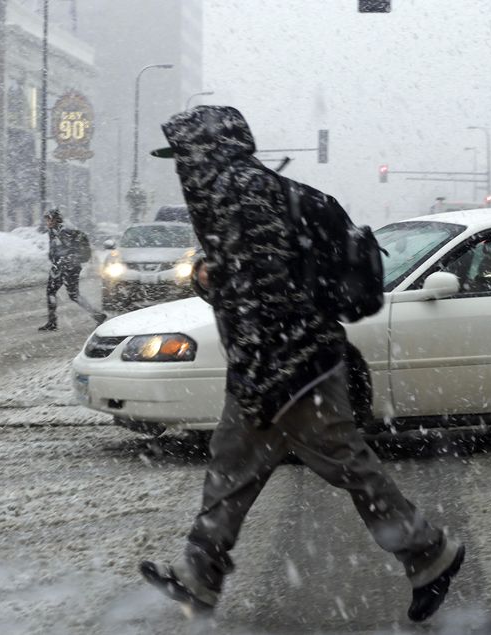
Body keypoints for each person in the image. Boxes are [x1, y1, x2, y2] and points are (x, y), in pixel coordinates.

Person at [139, 106, 465, 623]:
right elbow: (257, 280)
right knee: (232, 465)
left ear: (206, 152)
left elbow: (267, 291)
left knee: (342, 461)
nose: (182, 168)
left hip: (290, 366)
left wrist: (263, 376)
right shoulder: (251, 189)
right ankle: (199, 576)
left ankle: (428, 550)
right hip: (275, 364)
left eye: (184, 157)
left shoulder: (240, 192)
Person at [38, 208, 106, 331]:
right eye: (46, 219)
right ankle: (52, 322)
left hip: (69, 267)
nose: (47, 222)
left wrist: (65, 261)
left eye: (49, 219)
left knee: (71, 294)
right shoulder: (53, 231)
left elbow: (71, 250)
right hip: (61, 267)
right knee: (54, 292)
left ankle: (97, 315)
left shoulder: (64, 231)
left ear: (55, 219)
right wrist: (54, 258)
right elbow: (56, 249)